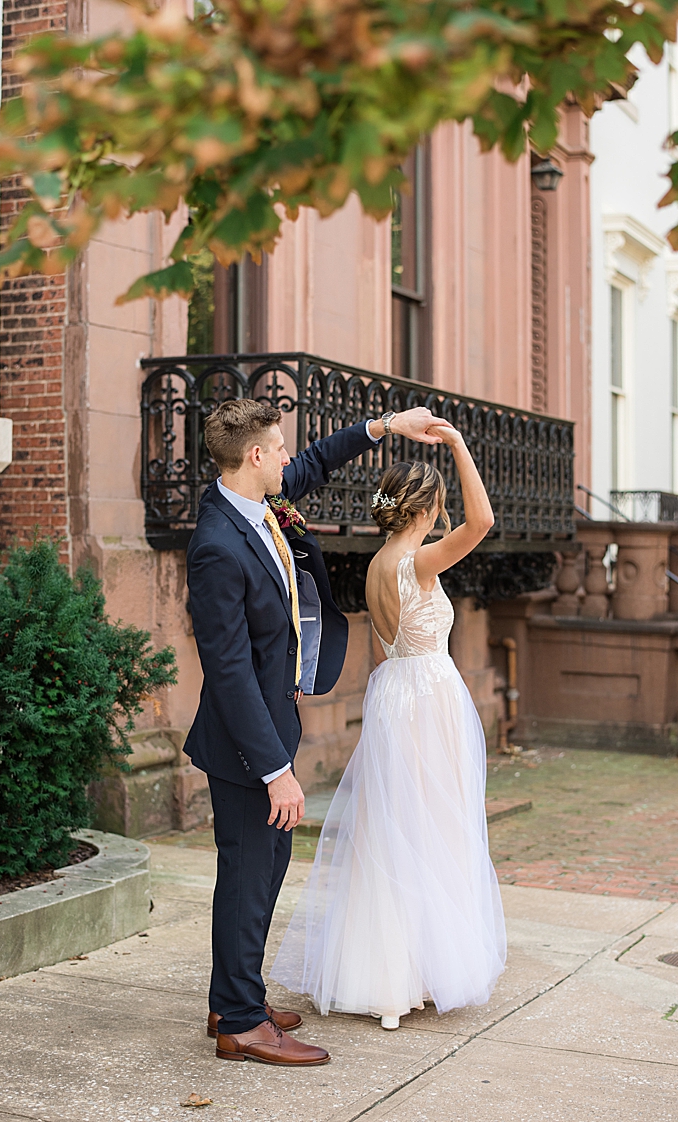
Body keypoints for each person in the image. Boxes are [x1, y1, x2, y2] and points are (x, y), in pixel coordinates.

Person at [184, 398, 442, 1066]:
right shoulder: (217, 545)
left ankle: (231, 996)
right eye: (279, 449)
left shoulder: (256, 502)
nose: (288, 459)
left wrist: (384, 428)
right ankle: (240, 1025)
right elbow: (229, 671)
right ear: (255, 456)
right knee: (248, 873)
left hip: (272, 722)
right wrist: (276, 769)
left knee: (262, 871)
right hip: (247, 744)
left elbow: (320, 462)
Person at [272, 426, 507, 1030]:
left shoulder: (379, 564)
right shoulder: (418, 561)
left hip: (395, 692)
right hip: (427, 694)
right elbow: (481, 522)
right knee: (433, 826)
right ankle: (420, 969)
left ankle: (392, 972)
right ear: (425, 509)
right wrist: (457, 445)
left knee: (393, 828)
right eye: (437, 509)